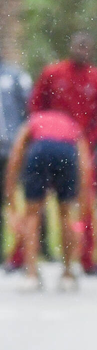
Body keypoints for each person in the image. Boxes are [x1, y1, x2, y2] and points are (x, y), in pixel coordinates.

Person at [29, 32, 97, 272]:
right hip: (50, 144)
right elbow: (36, 105)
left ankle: (84, 258)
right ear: (71, 47)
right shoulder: (53, 73)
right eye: (78, 46)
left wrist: (88, 141)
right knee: (35, 203)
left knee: (81, 204)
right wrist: (42, 132)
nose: (82, 51)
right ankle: (25, 257)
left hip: (81, 149)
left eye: (87, 47)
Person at [3, 111, 91, 292]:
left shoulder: (33, 121)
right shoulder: (70, 123)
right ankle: (67, 275)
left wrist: (10, 198)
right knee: (66, 213)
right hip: (65, 151)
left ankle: (31, 275)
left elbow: (16, 155)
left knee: (32, 214)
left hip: (40, 150)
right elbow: (85, 162)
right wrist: (83, 200)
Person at [0, 54, 32, 260]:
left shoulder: (14, 76)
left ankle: (26, 251)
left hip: (14, 148)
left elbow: (29, 108)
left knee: (25, 198)